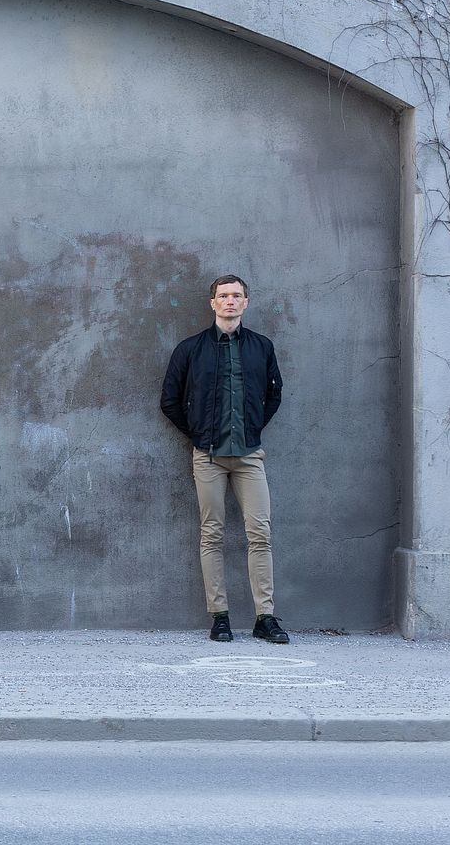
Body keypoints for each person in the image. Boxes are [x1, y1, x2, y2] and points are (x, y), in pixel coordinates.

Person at [160, 275, 289, 644]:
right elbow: (169, 400)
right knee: (211, 534)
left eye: (236, 295)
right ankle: (220, 617)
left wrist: (252, 427)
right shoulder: (190, 349)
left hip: (249, 456)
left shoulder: (261, 347)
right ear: (213, 302)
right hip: (209, 457)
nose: (230, 301)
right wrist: (199, 434)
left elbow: (274, 394)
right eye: (223, 296)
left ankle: (265, 617)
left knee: (260, 534)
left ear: (245, 302)